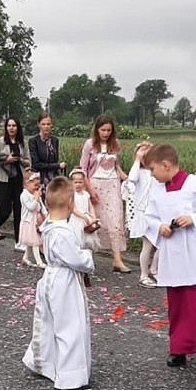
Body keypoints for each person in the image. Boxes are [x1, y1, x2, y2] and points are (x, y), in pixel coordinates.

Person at [145, 144, 196, 367]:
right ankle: (179, 348)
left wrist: (194, 219)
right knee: (178, 305)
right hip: (173, 253)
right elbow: (149, 216)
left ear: (166, 164)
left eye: (153, 169)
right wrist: (159, 226)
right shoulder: (157, 189)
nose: (152, 174)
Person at [22, 176, 95, 390]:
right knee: (70, 326)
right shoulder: (64, 233)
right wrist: (88, 256)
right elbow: (76, 259)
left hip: (51, 277)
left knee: (50, 322)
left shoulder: (49, 226)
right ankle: (70, 378)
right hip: (64, 281)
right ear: (71, 204)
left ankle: (45, 362)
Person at [79, 114, 129, 273]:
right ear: (97, 130)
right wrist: (89, 190)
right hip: (95, 184)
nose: (106, 133)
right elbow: (83, 169)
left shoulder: (115, 145)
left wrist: (128, 178)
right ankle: (89, 257)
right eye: (103, 130)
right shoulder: (89, 145)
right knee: (94, 221)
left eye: (109, 130)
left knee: (115, 221)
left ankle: (117, 259)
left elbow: (116, 166)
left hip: (112, 185)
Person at [0, 117, 31, 251]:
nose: (11, 128)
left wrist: (21, 161)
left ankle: (18, 241)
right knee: (5, 210)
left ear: (18, 127)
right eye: (9, 125)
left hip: (18, 179)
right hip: (4, 179)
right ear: (6, 128)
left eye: (14, 125)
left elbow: (28, 161)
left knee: (19, 211)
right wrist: (6, 160)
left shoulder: (22, 143)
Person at [126, 141, 159, 288]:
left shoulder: (155, 171)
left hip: (157, 211)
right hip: (144, 212)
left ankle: (154, 269)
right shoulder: (138, 172)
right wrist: (137, 159)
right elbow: (131, 179)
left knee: (161, 244)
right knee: (148, 245)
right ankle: (143, 275)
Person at [28, 112, 66, 191]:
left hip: (53, 177)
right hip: (39, 178)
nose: (46, 127)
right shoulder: (33, 141)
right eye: (43, 124)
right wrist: (57, 165)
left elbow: (55, 159)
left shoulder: (54, 140)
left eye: (48, 124)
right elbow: (36, 164)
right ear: (39, 125)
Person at [19, 171, 47, 268]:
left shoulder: (35, 195)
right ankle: (39, 262)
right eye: (35, 185)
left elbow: (41, 206)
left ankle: (25, 258)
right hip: (28, 222)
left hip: (34, 221)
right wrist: (35, 199)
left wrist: (46, 216)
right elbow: (31, 207)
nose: (36, 187)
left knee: (30, 243)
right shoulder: (24, 195)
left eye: (38, 185)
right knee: (35, 242)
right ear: (27, 183)